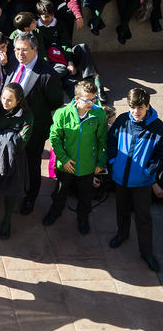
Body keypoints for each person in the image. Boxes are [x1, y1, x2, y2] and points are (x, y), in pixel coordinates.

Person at [5, 32, 62, 215]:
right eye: (17, 49)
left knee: (32, 163)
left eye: (24, 50)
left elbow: (55, 102)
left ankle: (31, 196)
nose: (20, 53)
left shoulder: (47, 74)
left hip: (34, 129)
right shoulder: (14, 63)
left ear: (35, 49)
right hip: (11, 125)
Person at [107, 88, 163, 272]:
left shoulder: (158, 128)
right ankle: (122, 234)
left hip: (142, 182)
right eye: (132, 107)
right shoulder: (123, 120)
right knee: (121, 209)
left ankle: (146, 252)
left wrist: (148, 171)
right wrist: (113, 162)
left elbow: (160, 156)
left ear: (147, 106)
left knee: (143, 218)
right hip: (120, 178)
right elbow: (111, 142)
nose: (135, 112)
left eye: (139, 107)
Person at [43, 80, 107, 234]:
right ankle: (55, 211)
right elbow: (55, 138)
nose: (91, 103)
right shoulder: (62, 114)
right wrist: (64, 159)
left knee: (85, 195)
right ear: (77, 99)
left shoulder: (98, 114)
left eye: (94, 99)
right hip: (66, 165)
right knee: (60, 191)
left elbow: (102, 140)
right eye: (87, 99)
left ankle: (83, 218)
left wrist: (100, 162)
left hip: (87, 165)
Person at [0, 83, 33, 239]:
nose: (5, 102)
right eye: (3, 98)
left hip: (15, 159)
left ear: (18, 100)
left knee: (11, 190)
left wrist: (0, 135)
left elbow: (23, 141)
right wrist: (10, 137)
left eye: (10, 100)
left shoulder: (26, 116)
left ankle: (7, 220)